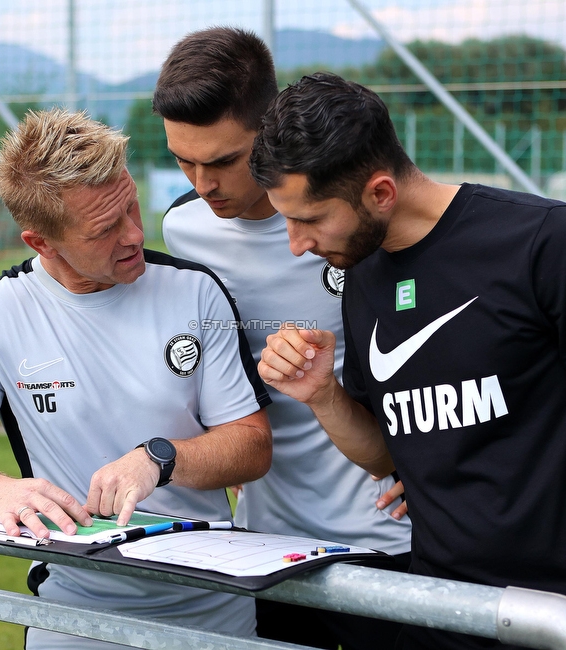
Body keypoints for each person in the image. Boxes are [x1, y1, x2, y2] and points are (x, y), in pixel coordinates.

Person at [250, 72, 566, 650]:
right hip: (445, 615)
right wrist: (323, 394)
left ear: (380, 193)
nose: (296, 244)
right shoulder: (362, 275)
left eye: (309, 219)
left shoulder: (545, 242)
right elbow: (392, 453)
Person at [0, 108, 272, 649]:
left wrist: (160, 459)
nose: (133, 234)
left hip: (215, 610)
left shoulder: (194, 292)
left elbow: (252, 446)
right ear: (41, 243)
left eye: (131, 206)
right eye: (104, 229)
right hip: (73, 613)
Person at [154, 28, 413, 650]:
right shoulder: (185, 232)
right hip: (267, 549)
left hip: (387, 538)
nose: (202, 181)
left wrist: (439, 463)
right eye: (183, 160)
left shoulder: (363, 227)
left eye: (221, 161)